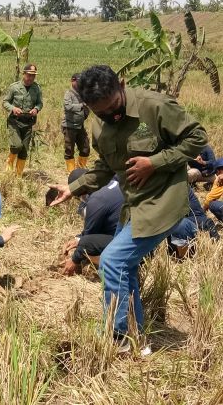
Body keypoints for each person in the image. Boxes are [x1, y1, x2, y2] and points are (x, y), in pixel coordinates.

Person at [49, 65, 207, 349]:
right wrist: (72, 188)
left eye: (113, 107)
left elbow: (197, 138)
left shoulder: (154, 106)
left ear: (121, 85)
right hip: (132, 205)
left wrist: (154, 162)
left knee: (112, 261)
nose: (111, 116)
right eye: (101, 112)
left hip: (161, 201)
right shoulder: (99, 125)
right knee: (125, 268)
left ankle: (118, 338)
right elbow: (104, 168)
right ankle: (136, 337)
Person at [61, 170, 123, 276]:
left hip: (129, 244)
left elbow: (87, 241)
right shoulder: (112, 180)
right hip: (141, 235)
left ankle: (111, 265)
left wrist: (74, 260)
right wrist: (77, 239)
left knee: (87, 246)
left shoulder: (96, 200)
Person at [2, 63, 43, 177]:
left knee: (24, 150)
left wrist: (36, 109)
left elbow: (40, 103)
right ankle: (8, 169)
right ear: (23, 74)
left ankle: (18, 175)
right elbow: (5, 102)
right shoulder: (14, 87)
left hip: (28, 122)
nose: (31, 78)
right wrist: (13, 108)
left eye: (33, 76)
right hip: (14, 121)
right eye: (29, 75)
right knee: (16, 146)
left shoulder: (37, 88)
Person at [167, 187, 220, 258]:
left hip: (196, 227)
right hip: (176, 234)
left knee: (179, 224)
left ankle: (183, 258)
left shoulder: (179, 187)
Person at [62, 73, 91, 172]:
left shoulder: (83, 94)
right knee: (69, 150)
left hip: (80, 126)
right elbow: (68, 107)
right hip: (69, 126)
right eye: (77, 81)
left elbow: (88, 106)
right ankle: (71, 172)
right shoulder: (68, 94)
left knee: (85, 148)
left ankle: (80, 171)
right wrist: (81, 105)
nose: (79, 84)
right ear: (72, 81)